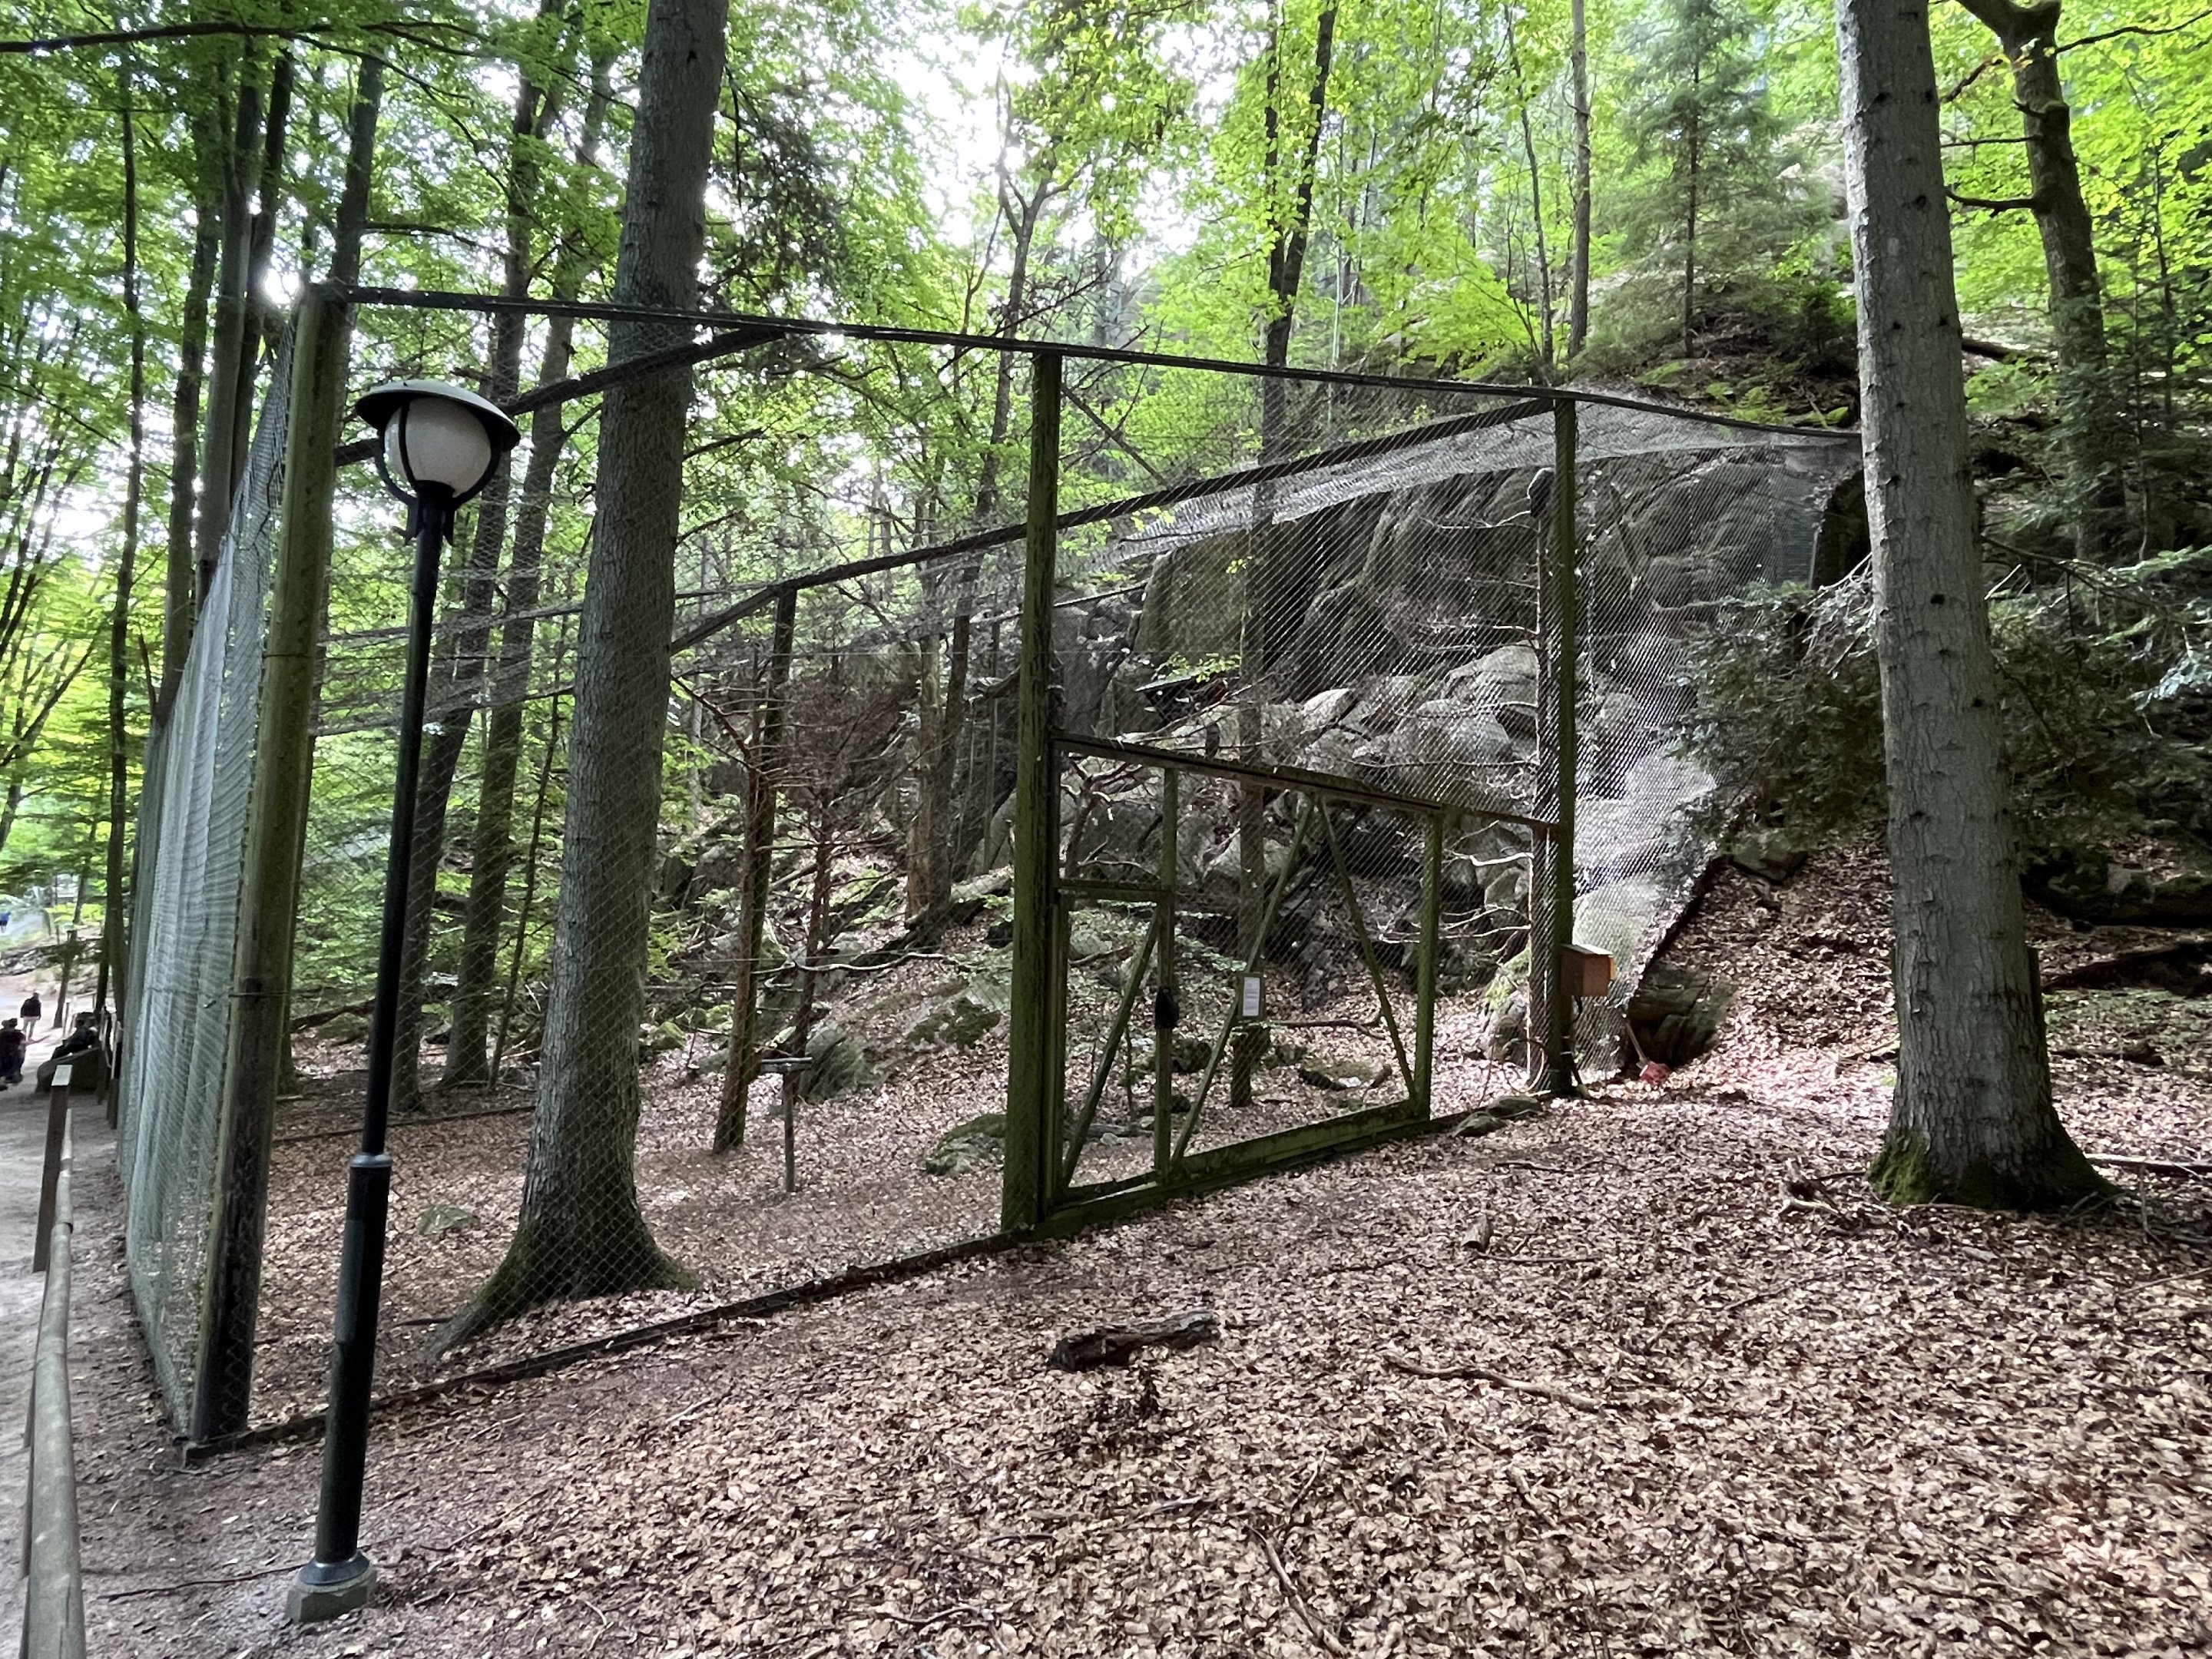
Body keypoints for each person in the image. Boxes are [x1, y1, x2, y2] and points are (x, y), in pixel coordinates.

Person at [37, 1012, 103, 1093]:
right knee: (59, 1050)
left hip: (77, 1045)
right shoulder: (82, 1030)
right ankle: (53, 1061)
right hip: (75, 1044)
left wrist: (68, 1042)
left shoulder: (83, 1030)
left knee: (60, 1051)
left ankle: (54, 1061)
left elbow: (77, 1039)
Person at [0, 1018, 24, 1088]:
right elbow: (21, 1045)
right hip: (11, 1053)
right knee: (13, 1066)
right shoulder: (18, 1034)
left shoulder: (2, 1033)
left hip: (7, 1053)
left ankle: (9, 1078)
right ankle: (12, 1078)